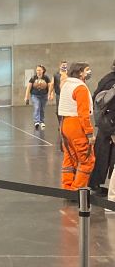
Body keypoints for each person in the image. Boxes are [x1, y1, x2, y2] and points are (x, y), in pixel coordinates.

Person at [59, 62, 94, 190]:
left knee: (69, 158)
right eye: (87, 70)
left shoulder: (66, 85)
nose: (89, 72)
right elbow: (83, 114)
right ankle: (77, 189)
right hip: (76, 126)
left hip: (64, 124)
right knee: (87, 160)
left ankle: (67, 187)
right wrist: (89, 133)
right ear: (80, 72)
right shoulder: (81, 88)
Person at [90, 60, 115, 190]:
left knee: (101, 152)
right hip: (111, 122)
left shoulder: (106, 78)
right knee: (105, 154)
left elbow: (95, 97)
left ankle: (95, 183)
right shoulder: (112, 82)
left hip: (104, 121)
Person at [24, 64, 53, 130]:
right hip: (35, 95)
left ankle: (42, 121)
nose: (38, 71)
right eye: (37, 70)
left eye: (39, 70)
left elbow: (50, 86)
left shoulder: (46, 78)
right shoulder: (33, 78)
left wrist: (51, 94)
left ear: (43, 71)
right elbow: (28, 88)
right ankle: (36, 121)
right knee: (37, 107)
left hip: (44, 95)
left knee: (42, 108)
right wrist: (26, 97)